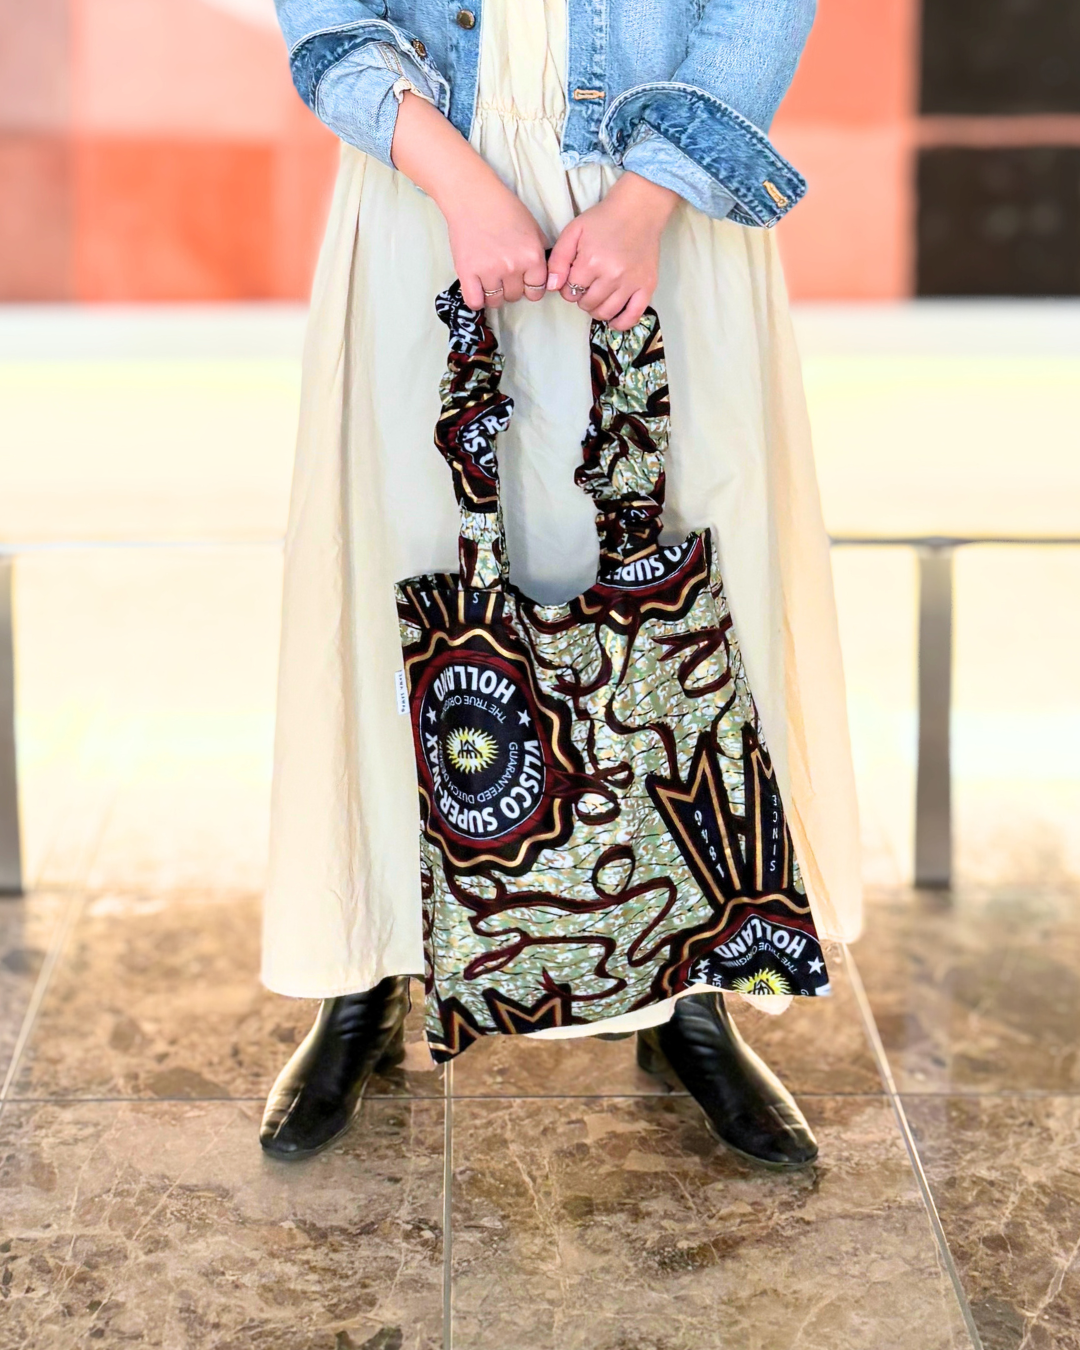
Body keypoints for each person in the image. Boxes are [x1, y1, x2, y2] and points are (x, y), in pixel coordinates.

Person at [259, 0, 863, 1167]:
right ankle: (364, 974)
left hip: (662, 196)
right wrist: (457, 181)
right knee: (394, 580)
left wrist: (646, 199)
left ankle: (693, 991)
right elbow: (326, 20)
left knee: (692, 595)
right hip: (423, 183)